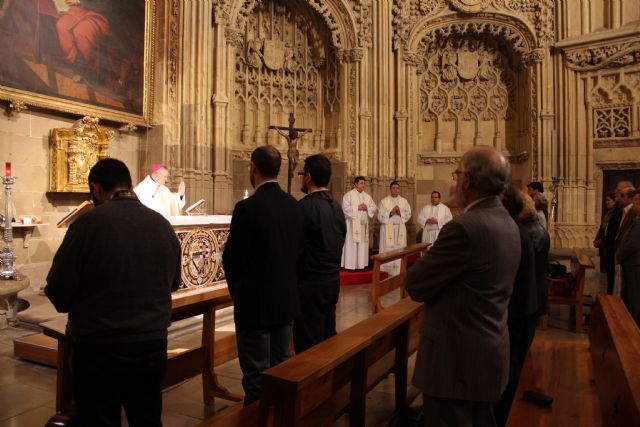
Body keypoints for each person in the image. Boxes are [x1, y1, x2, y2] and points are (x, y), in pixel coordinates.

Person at [44, 158, 181, 427]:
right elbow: (173, 283)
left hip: (100, 347)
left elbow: (59, 292)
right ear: (129, 185)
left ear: (95, 188)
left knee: (100, 419)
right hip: (151, 344)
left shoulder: (86, 226)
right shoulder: (162, 226)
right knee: (147, 419)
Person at [405, 146, 520, 427]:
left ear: (467, 180)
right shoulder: (507, 221)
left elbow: (416, 284)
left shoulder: (464, 228)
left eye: (457, 174)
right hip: (489, 353)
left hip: (455, 363)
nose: (455, 180)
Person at [222, 145, 303, 406]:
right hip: (285, 300)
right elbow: (299, 252)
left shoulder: (247, 208)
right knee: (281, 366)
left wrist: (237, 291)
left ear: (253, 168)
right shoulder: (294, 206)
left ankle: (257, 419)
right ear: (279, 170)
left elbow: (232, 257)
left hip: (255, 304)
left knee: (256, 374)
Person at [494, 186, 550, 427]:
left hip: (523, 305)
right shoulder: (527, 229)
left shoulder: (526, 232)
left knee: (514, 362)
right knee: (515, 360)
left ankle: (507, 415)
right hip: (527, 303)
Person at [293, 154, 346, 354]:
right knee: (327, 339)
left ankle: (311, 385)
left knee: (308, 346)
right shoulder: (337, 207)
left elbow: (296, 249)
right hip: (332, 281)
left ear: (308, 177)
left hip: (309, 286)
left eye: (301, 174)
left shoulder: (304, 207)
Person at [341, 176, 377, 271]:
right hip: (352, 226)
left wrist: (367, 208)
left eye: (364, 183)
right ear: (355, 184)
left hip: (363, 226)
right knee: (352, 245)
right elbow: (345, 209)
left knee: (362, 245)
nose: (363, 185)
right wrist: (357, 207)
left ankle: (361, 265)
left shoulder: (367, 196)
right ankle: (351, 266)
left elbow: (374, 207)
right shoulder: (348, 195)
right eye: (361, 183)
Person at [603, 181, 633, 294]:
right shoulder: (619, 211)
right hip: (613, 251)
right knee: (614, 283)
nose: (617, 194)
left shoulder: (630, 212)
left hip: (626, 257)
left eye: (619, 192)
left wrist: (620, 254)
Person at [377, 181, 412, 275]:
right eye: (393, 188)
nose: (395, 190)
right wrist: (391, 213)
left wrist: (400, 213)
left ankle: (398, 270)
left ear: (399, 189)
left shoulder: (404, 201)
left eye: (397, 188)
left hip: (399, 230)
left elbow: (409, 214)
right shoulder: (384, 201)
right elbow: (379, 217)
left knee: (399, 249)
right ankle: (386, 270)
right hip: (387, 230)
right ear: (390, 189)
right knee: (388, 249)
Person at [617, 192, 640, 326]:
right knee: (630, 298)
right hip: (631, 263)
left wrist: (620, 255)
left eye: (636, 201)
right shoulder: (636, 220)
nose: (634, 204)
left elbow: (632, 244)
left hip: (635, 264)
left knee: (634, 298)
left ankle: (634, 329)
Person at [594, 192, 617, 291]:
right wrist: (597, 238)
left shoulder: (616, 214)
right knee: (608, 274)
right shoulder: (608, 213)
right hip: (604, 248)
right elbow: (602, 227)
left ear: (614, 201)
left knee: (612, 276)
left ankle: (610, 294)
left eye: (609, 200)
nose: (606, 202)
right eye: (606, 200)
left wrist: (602, 242)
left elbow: (612, 232)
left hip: (609, 247)